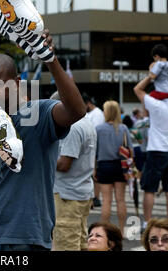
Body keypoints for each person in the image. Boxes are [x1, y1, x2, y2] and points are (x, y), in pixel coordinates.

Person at [0, 29, 86, 251]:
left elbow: (76, 111)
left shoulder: (38, 113)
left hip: (28, 237)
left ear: (17, 82)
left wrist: (51, 60)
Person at [133, 64, 168, 229]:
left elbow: (137, 89)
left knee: (150, 189)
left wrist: (150, 76)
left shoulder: (154, 103)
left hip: (156, 150)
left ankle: (147, 223)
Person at [51, 91, 97, 251]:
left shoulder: (73, 127)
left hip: (67, 196)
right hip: (81, 191)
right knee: (81, 243)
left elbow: (64, 164)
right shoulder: (86, 122)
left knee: (65, 244)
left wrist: (43, 158)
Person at [95, 101, 133, 234]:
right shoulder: (123, 128)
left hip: (104, 165)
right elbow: (130, 150)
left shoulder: (98, 129)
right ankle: (122, 230)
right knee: (120, 200)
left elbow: (95, 151)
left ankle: (104, 231)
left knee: (106, 200)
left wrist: (94, 168)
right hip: (120, 166)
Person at [83, 93, 105, 208]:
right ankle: (93, 196)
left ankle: (96, 197)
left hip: (95, 147)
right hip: (91, 146)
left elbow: (95, 130)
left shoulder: (97, 114)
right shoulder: (91, 113)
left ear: (88, 104)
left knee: (95, 174)